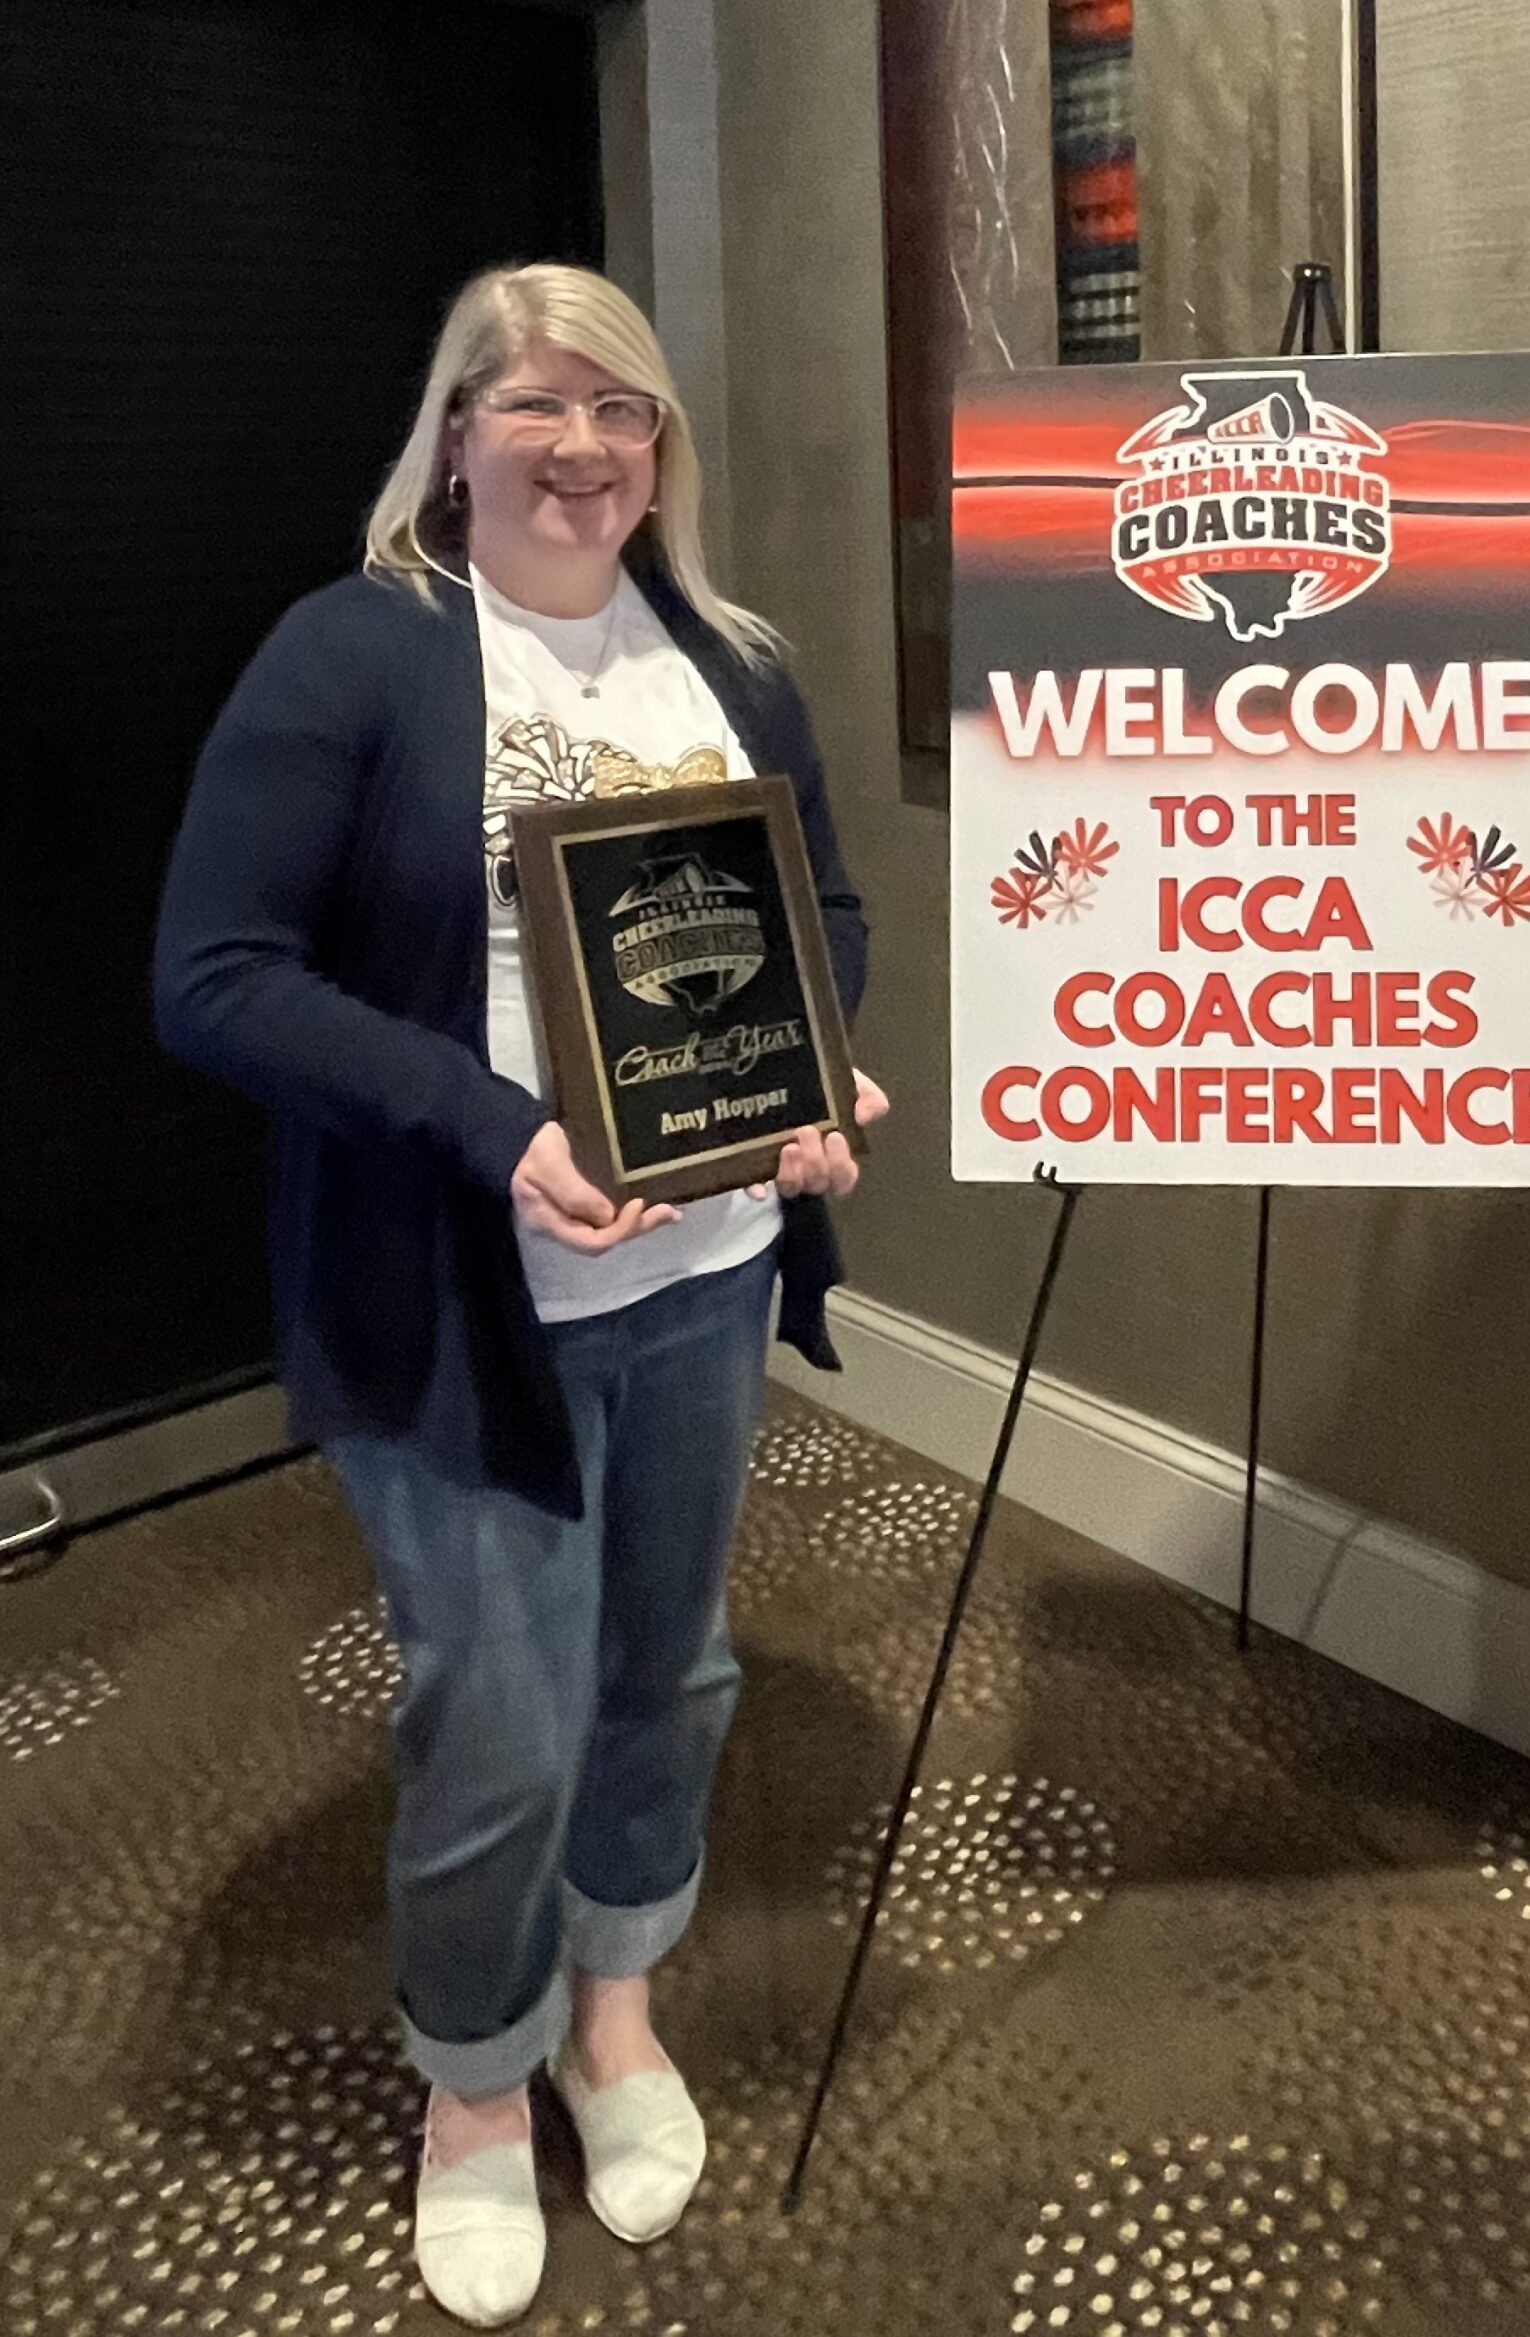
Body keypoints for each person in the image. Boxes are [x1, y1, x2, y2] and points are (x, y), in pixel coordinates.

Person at [155, 263, 886, 2327]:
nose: (584, 447)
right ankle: (474, 2080)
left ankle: (612, 2008)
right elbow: (216, 973)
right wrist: (492, 1131)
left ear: (664, 445)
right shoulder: (357, 648)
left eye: (622, 409)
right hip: (463, 1292)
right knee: (495, 1713)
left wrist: (815, 1065)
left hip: (705, 1273)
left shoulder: (728, 660)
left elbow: (821, 909)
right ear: (456, 431)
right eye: (539, 404)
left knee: (667, 1666)